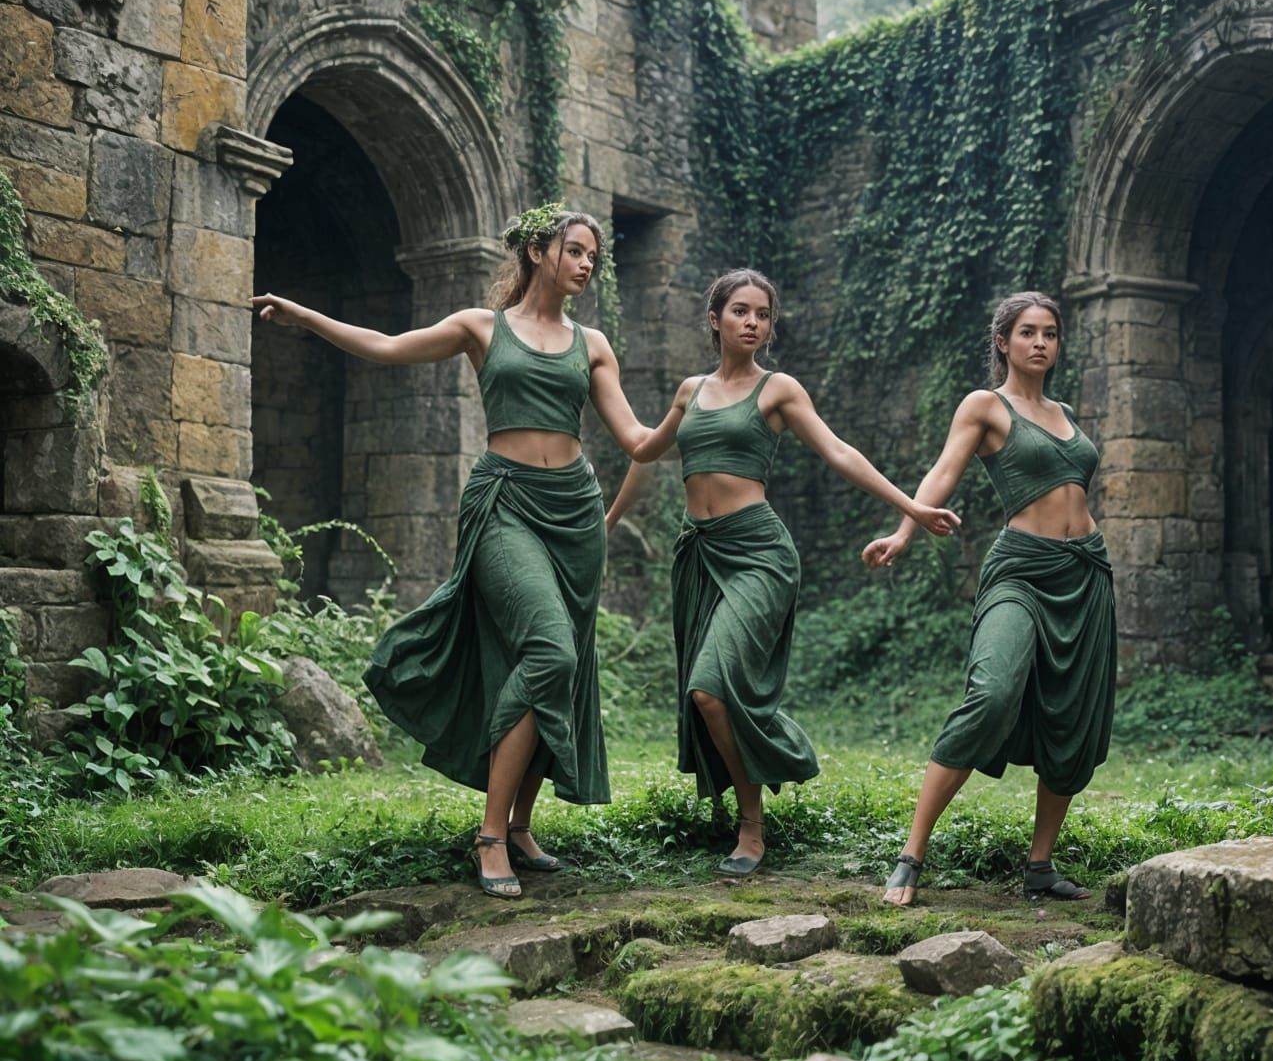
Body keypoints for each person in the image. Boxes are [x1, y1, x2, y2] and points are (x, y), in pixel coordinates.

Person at [253, 203, 661, 900]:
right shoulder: (482, 328)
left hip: (573, 516)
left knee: (552, 667)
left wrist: (696, 408)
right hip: (503, 504)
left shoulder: (592, 344)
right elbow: (386, 347)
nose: (588, 264)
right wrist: (307, 318)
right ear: (538, 251)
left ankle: (524, 825)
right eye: (576, 250)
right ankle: (491, 834)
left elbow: (637, 442)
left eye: (595, 256)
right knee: (549, 650)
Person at [606, 268, 959, 876]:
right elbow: (645, 452)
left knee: (709, 686)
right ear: (715, 319)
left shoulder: (778, 390)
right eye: (741, 311)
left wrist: (910, 508)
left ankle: (751, 824)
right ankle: (748, 797)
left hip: (759, 555)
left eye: (763, 315)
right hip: (698, 554)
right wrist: (604, 525)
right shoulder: (690, 391)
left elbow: (839, 451)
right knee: (708, 692)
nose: (753, 322)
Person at [864, 292, 1116, 906]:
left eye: (1050, 333)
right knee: (993, 692)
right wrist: (905, 528)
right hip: (1020, 573)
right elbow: (943, 472)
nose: (1040, 343)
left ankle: (1040, 867)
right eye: (1027, 332)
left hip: (1084, 574)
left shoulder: (1066, 412)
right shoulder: (986, 405)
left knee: (1070, 717)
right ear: (1003, 342)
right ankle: (910, 854)